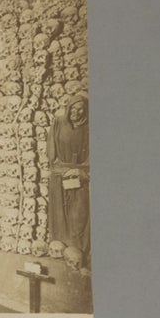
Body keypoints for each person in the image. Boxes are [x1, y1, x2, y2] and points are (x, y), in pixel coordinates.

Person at [47, 98, 90, 260]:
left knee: (78, 215)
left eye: (80, 109)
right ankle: (59, 246)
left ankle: (76, 251)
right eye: (73, 108)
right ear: (68, 108)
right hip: (60, 176)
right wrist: (57, 168)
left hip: (79, 176)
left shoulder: (89, 128)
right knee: (59, 213)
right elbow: (51, 150)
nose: (76, 112)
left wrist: (81, 171)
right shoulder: (58, 123)